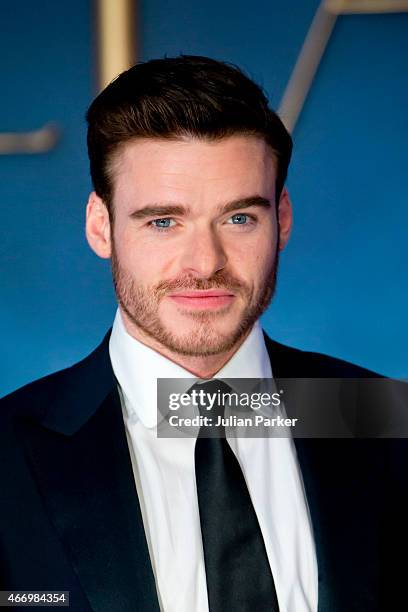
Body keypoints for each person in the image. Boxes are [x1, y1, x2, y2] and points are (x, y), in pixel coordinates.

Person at [0, 55, 406, 612]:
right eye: (163, 221)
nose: (205, 262)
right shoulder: (8, 455)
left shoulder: (384, 420)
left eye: (239, 218)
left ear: (281, 219)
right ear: (101, 226)